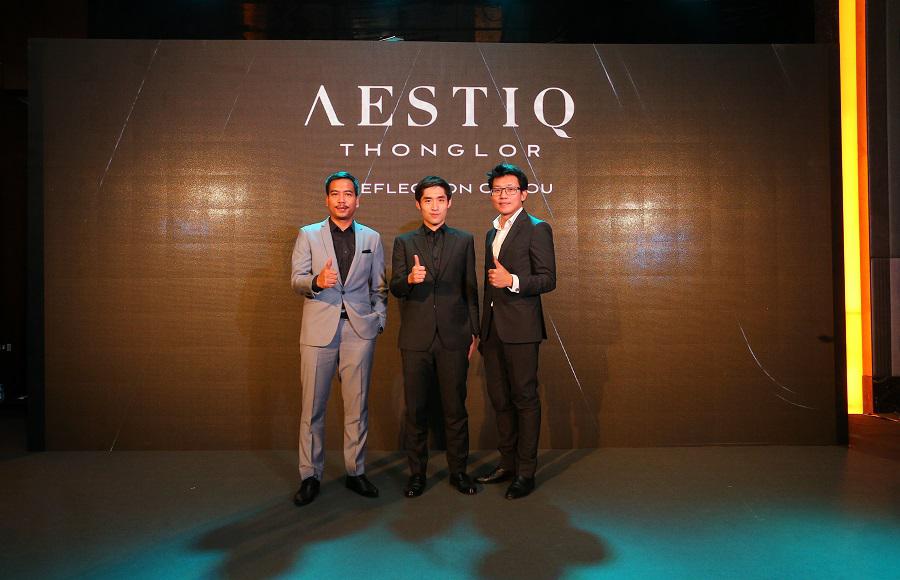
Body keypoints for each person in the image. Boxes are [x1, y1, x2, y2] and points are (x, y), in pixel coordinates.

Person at [290, 171, 388, 506]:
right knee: (312, 408)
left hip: (359, 333)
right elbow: (296, 279)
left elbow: (379, 286)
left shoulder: (372, 237)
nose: (342, 200)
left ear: (357, 199)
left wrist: (378, 322)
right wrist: (317, 281)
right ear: (327, 199)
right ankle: (310, 476)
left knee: (357, 406)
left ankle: (355, 471)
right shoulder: (308, 234)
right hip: (318, 331)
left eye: (348, 194)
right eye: (335, 194)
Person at [390, 176, 480, 497]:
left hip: (454, 338)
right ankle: (417, 475)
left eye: (440, 199)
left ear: (449, 203)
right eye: (428, 200)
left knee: (455, 409)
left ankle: (459, 472)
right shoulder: (404, 242)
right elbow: (395, 288)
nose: (435, 206)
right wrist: (409, 279)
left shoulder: (464, 240)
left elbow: (471, 289)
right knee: (416, 411)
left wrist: (475, 332)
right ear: (418, 204)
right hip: (416, 339)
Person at [475, 162, 556, 500]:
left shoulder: (537, 228)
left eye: (509, 189)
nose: (503, 195)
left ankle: (525, 472)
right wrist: (481, 331)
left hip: (522, 329)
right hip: (493, 331)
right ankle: (507, 464)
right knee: (500, 400)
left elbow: (548, 279)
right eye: (497, 190)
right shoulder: (491, 232)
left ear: (523, 194)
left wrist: (513, 281)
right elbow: (488, 288)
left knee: (524, 399)